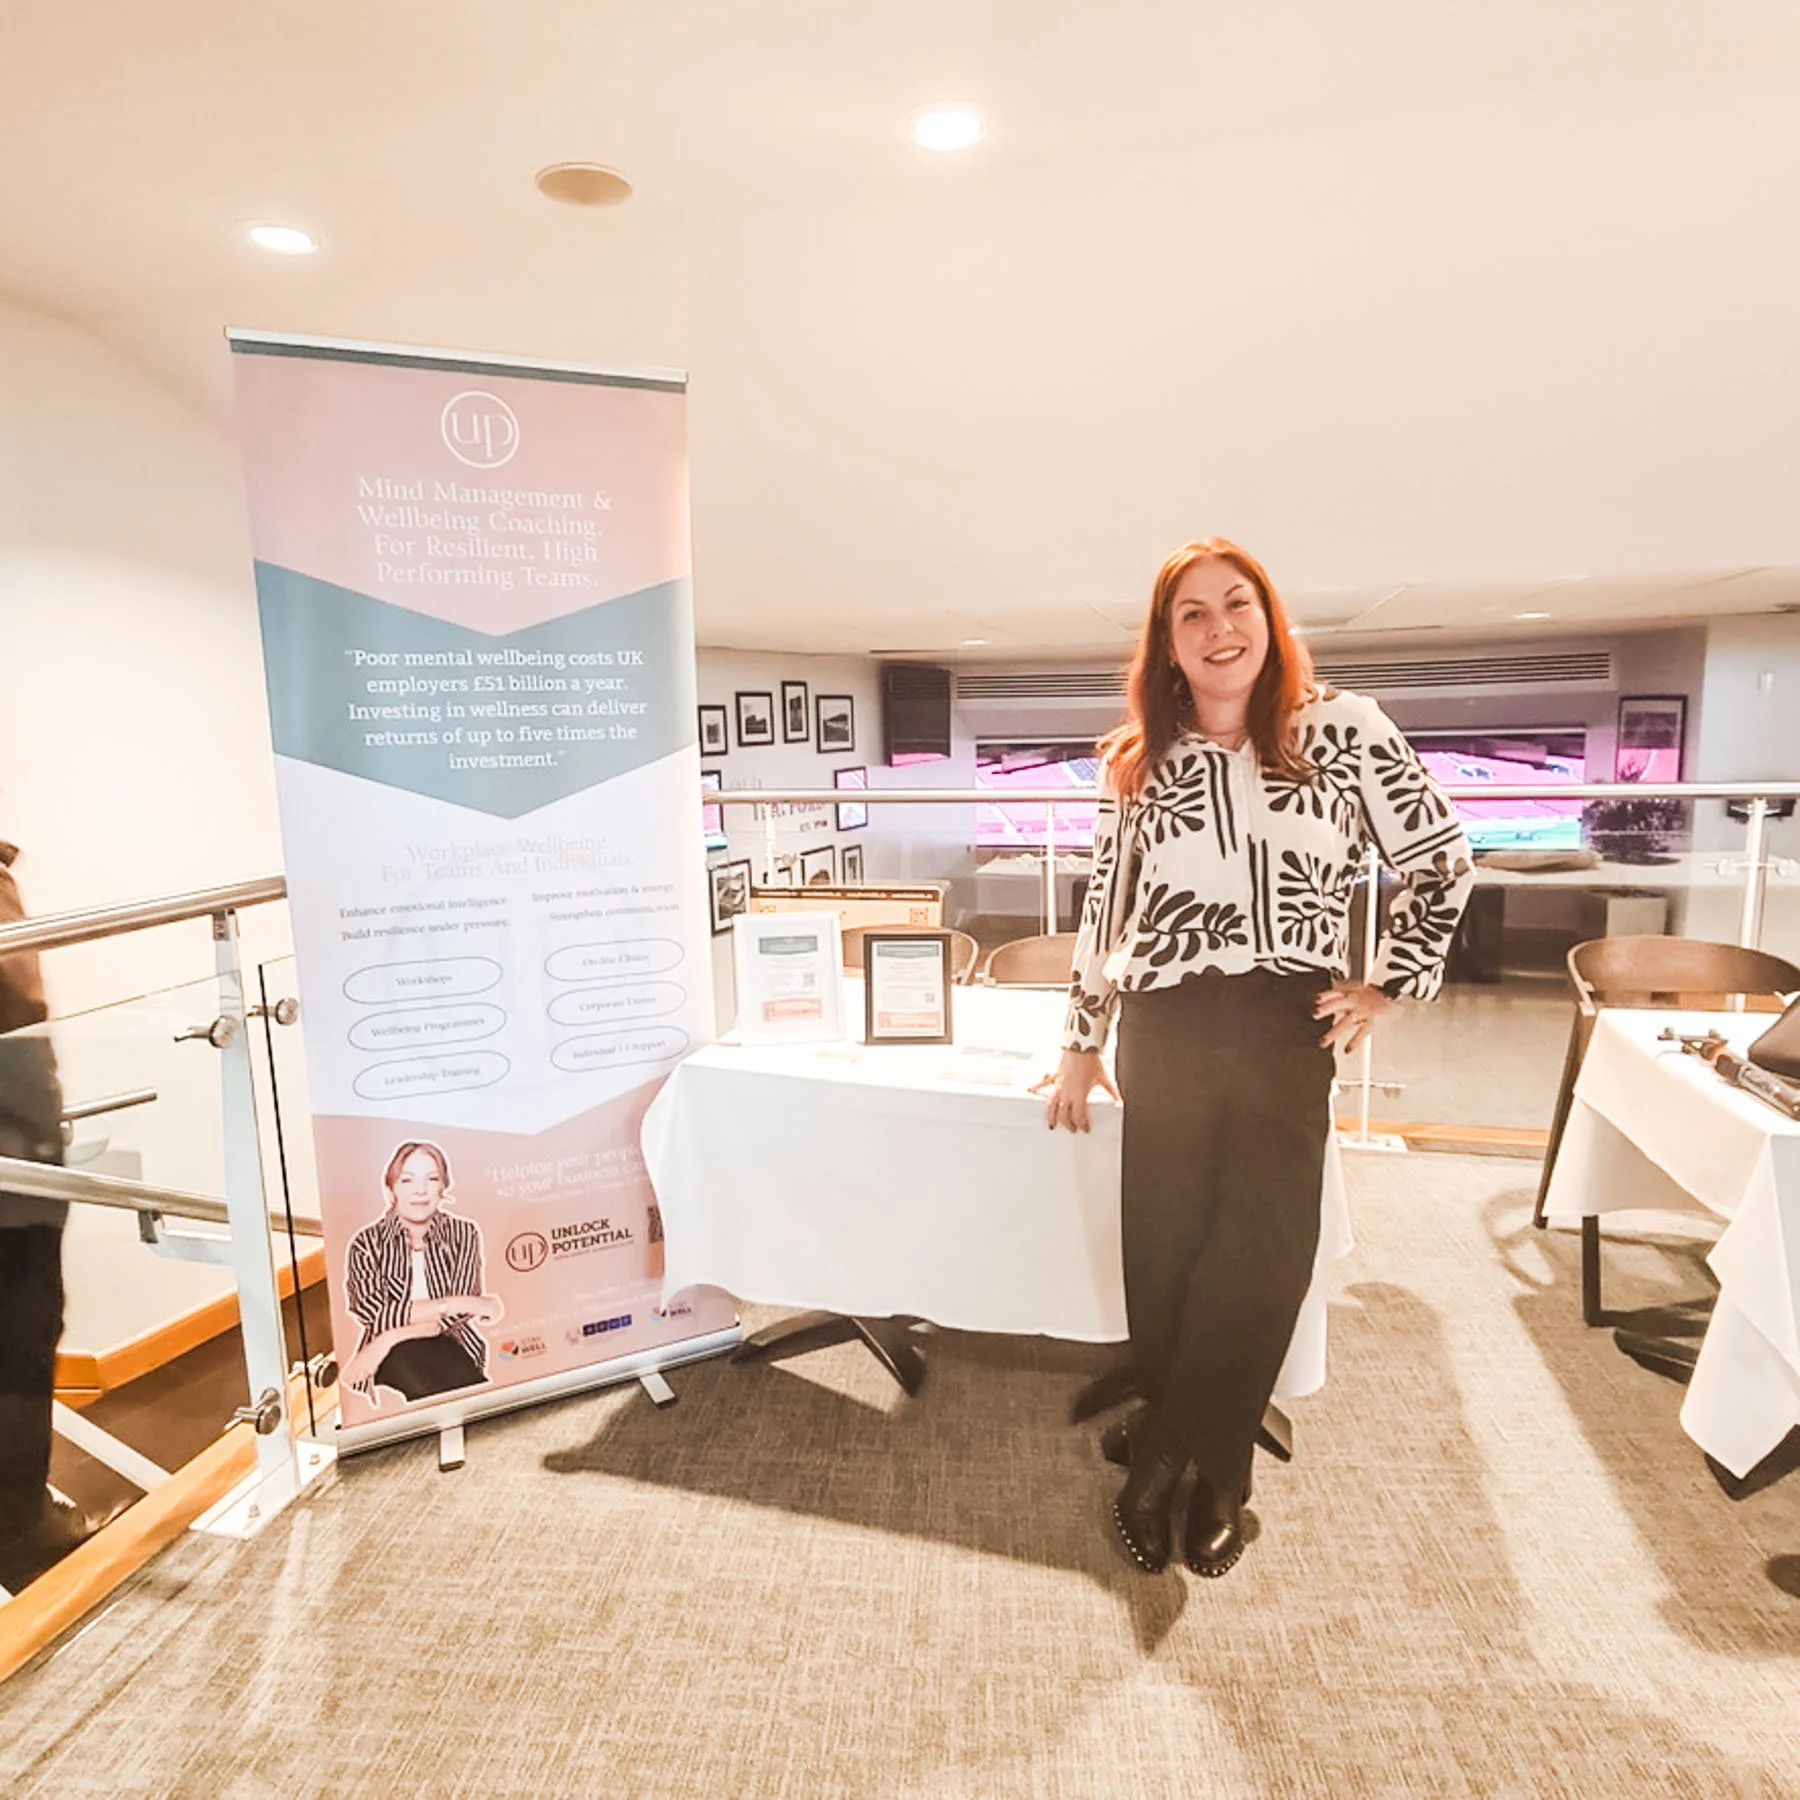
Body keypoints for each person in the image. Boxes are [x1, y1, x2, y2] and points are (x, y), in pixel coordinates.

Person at [1036, 539, 1471, 1579]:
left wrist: (1391, 982)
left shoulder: (1344, 730)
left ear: (1270, 621)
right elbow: (1106, 911)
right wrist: (1079, 1043)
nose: (1220, 627)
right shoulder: (1137, 761)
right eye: (1193, 615)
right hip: (1167, 1021)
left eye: (1239, 605)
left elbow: (1441, 859)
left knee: (1264, 1249)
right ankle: (1181, 1441)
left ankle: (1201, 1467)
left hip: (1287, 1018)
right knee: (1171, 1239)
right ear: (1168, 645)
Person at [0, 843, 120, 1592]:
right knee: (21, 1336)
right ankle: (20, 1530)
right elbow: (19, 995)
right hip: (14, 1163)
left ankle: (20, 1517)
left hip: (24, 1154)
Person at [341, 1141, 501, 1406]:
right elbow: (373, 1312)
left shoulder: (463, 1233)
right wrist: (395, 1337)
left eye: (432, 1179)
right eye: (407, 1180)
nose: (421, 1190)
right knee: (408, 1355)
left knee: (443, 1361)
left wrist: (398, 1331)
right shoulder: (367, 1242)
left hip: (453, 1346)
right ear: (391, 1188)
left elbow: (459, 1313)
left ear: (443, 1187)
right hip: (388, 1356)